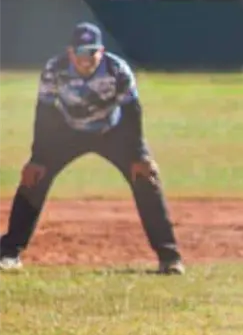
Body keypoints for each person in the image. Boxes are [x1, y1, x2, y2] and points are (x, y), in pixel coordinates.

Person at [0, 23, 184, 274]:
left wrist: (139, 155)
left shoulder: (117, 70)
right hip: (66, 131)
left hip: (113, 131)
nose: (87, 59)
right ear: (70, 53)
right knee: (33, 178)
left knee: (146, 178)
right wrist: (37, 158)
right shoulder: (55, 69)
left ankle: (169, 257)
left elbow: (132, 112)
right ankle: (9, 253)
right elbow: (44, 112)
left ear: (102, 51)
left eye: (92, 52)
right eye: (81, 53)